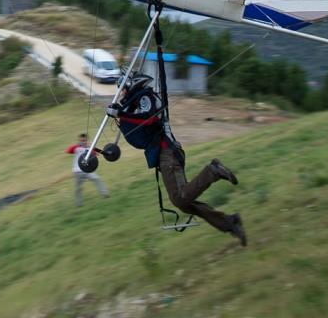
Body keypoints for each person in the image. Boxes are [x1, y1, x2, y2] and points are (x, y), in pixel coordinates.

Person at [109, 75, 247, 246]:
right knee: (183, 204)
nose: (121, 93)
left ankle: (213, 171)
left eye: (122, 89)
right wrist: (120, 113)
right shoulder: (137, 102)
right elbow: (136, 120)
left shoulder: (146, 96)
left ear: (131, 85)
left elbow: (150, 118)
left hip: (167, 152)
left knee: (180, 198)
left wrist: (121, 113)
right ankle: (230, 223)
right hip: (165, 155)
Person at [65, 133, 108, 207]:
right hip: (77, 171)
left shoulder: (89, 149)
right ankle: (79, 204)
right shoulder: (76, 148)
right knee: (78, 188)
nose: (83, 142)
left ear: (87, 140)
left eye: (84, 140)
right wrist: (77, 145)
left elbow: (95, 156)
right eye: (82, 141)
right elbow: (68, 150)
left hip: (87, 170)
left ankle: (105, 194)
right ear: (79, 141)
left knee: (97, 179)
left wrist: (93, 150)